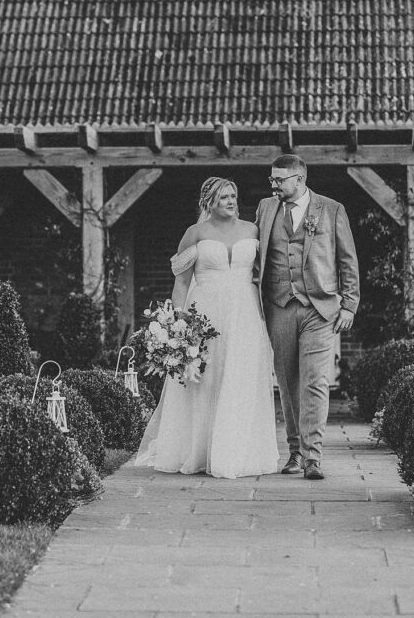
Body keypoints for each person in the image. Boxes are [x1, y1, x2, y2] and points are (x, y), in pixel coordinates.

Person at [135, 176, 279, 479]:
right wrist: (178, 323)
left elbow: (262, 275)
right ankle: (200, 451)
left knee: (240, 378)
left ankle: (238, 451)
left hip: (245, 313)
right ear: (209, 202)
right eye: (224, 197)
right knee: (207, 381)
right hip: (206, 314)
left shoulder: (252, 231)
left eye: (233, 195)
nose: (231, 201)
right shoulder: (195, 233)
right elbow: (182, 282)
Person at [256, 154, 360, 480]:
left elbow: (347, 260)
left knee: (315, 381)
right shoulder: (265, 209)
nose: (273, 184)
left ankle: (313, 457)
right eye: (271, 179)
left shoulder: (331, 209)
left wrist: (350, 305)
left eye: (279, 179)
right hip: (279, 306)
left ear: (299, 179)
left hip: (321, 308)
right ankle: (295, 453)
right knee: (287, 384)